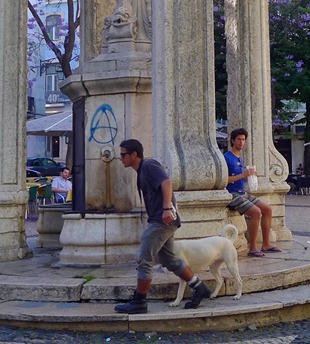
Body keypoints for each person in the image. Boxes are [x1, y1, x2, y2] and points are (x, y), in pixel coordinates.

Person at [113, 139, 211, 314]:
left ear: (134, 154)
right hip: (161, 220)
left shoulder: (149, 165)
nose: (120, 158)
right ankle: (199, 287)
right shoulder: (141, 171)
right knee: (169, 260)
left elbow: (167, 183)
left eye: (123, 155)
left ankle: (139, 302)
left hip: (162, 220)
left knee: (143, 258)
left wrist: (166, 208)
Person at [223, 128, 278, 257]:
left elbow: (241, 178)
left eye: (243, 140)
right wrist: (244, 175)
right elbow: (224, 180)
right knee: (256, 212)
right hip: (232, 194)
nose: (241, 142)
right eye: (239, 139)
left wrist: (251, 176)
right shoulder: (227, 157)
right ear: (233, 140)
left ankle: (266, 244)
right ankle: (253, 247)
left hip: (243, 192)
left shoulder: (240, 159)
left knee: (267, 210)